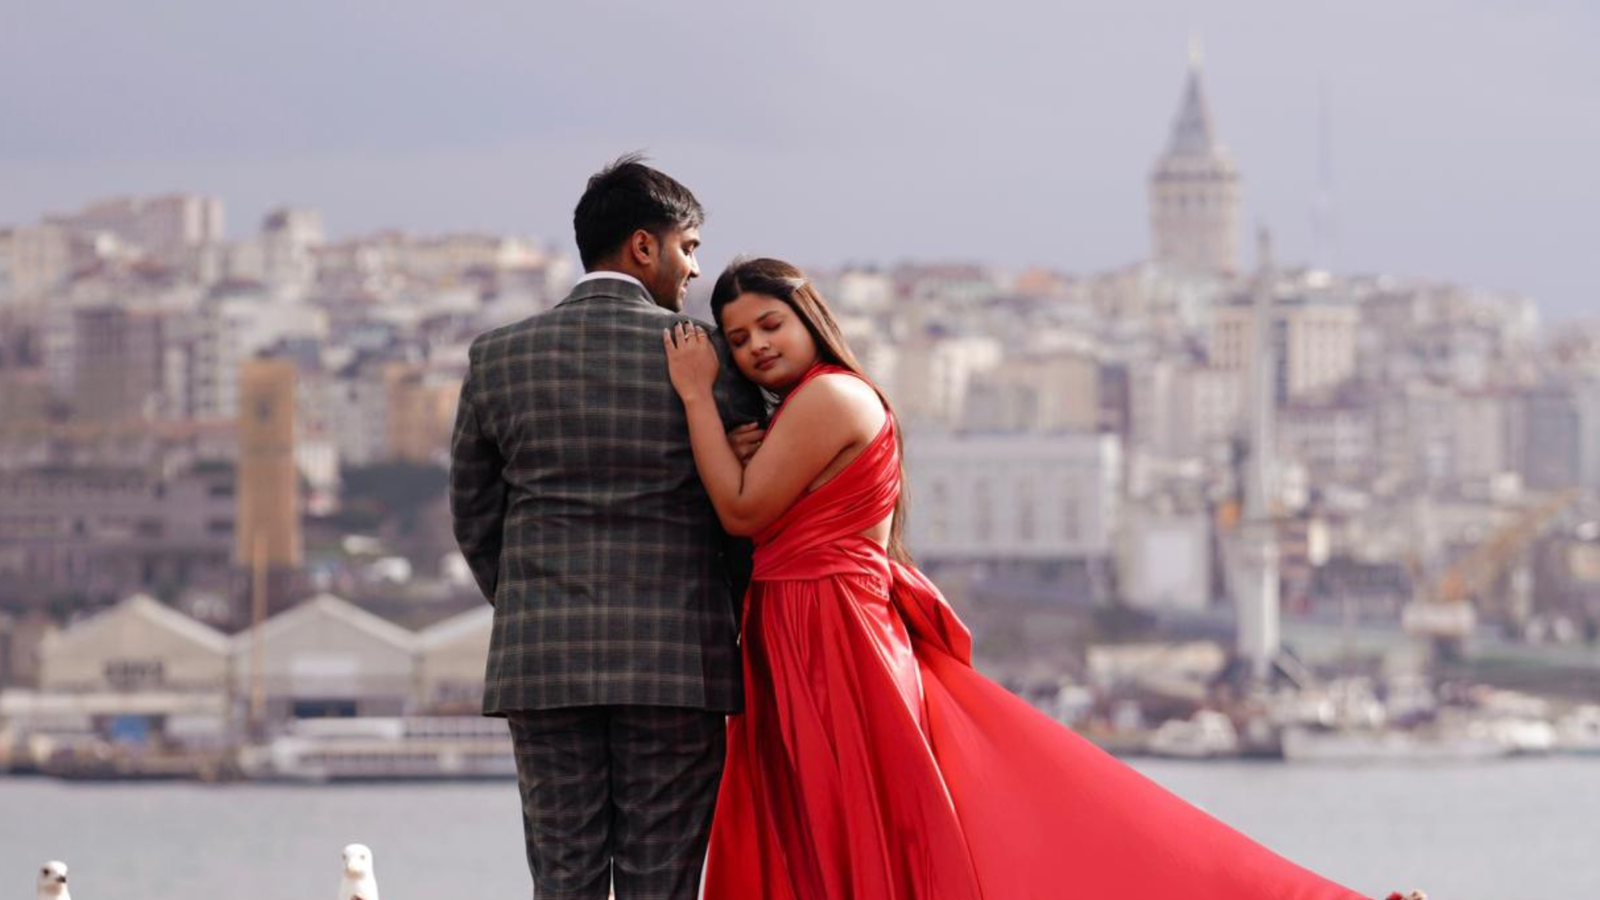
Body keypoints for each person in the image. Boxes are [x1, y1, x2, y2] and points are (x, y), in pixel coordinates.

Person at [662, 256, 1380, 900]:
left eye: (771, 325)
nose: (756, 347)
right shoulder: (811, 406)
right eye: (739, 338)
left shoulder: (830, 397)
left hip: (829, 633)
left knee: (846, 817)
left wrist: (697, 397)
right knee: (840, 822)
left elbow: (741, 510)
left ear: (810, 319)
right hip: (813, 627)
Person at [449, 154, 764, 900]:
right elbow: (745, 516)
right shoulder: (709, 358)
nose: (695, 269)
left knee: (565, 877)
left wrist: (531, 601)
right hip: (677, 662)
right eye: (688, 247)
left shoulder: (498, 358)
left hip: (543, 661)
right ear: (643, 246)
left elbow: (473, 515)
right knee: (663, 881)